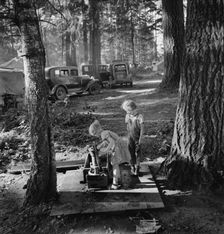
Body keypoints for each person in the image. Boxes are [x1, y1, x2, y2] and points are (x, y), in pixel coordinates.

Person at [89, 120, 131, 189]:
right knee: (116, 165)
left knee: (115, 165)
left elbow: (112, 142)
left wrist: (105, 151)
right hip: (118, 147)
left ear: (97, 131)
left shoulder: (103, 134)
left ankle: (115, 183)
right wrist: (98, 147)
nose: (96, 136)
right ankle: (118, 180)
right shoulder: (105, 132)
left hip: (117, 149)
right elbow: (105, 142)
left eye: (95, 134)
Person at [121, 99, 144, 176]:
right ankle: (132, 166)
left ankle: (137, 167)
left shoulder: (140, 117)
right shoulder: (128, 116)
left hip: (137, 138)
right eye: (127, 111)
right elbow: (128, 126)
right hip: (130, 137)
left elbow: (142, 129)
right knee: (130, 152)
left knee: (137, 153)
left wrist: (141, 139)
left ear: (135, 109)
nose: (128, 113)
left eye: (130, 111)